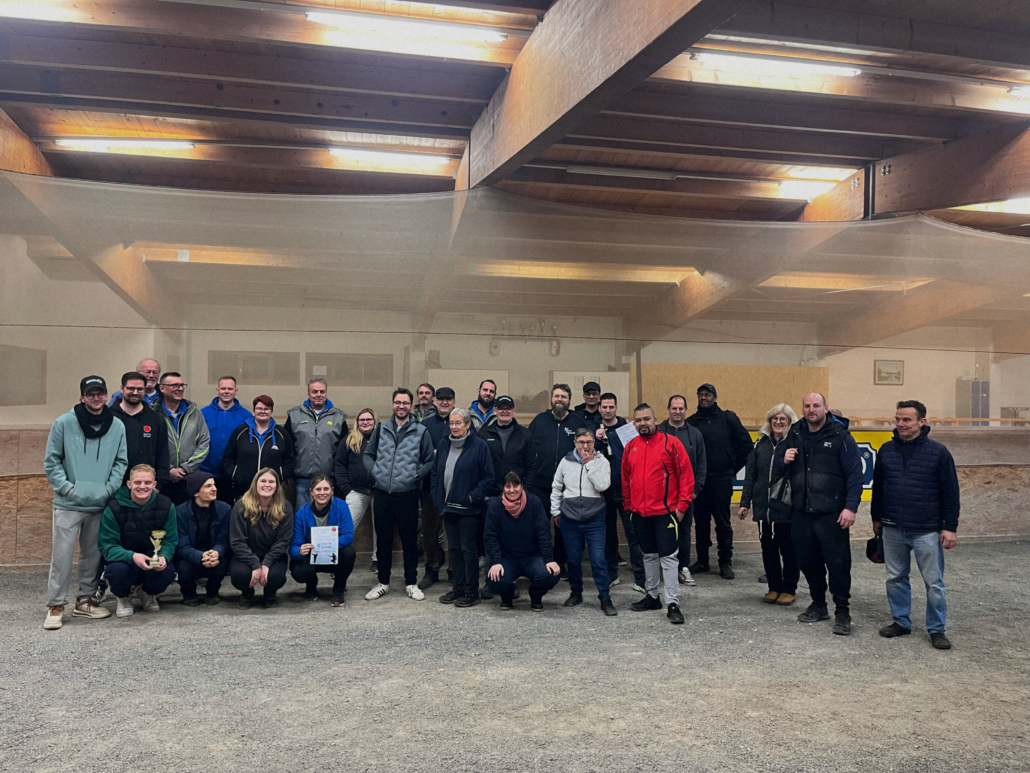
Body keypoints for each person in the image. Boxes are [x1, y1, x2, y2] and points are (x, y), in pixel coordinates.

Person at [871, 400, 960, 650]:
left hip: (927, 530)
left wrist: (950, 527)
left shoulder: (939, 453)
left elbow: (951, 493)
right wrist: (876, 518)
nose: (900, 424)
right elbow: (878, 488)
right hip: (892, 527)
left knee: (934, 583)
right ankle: (901, 622)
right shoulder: (886, 450)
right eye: (897, 419)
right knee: (895, 578)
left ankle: (937, 629)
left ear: (922, 422)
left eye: (906, 419)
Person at [774, 392, 863, 636]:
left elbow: (855, 475)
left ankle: (842, 612)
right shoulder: (794, 433)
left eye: (816, 405)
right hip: (801, 513)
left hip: (832, 514)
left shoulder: (841, 436)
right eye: (807, 406)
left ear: (826, 408)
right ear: (802, 409)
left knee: (838, 565)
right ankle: (819, 605)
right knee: (808, 562)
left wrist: (850, 507)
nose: (811, 409)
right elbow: (777, 467)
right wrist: (784, 460)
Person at [42, 375, 126, 630]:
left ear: (107, 395)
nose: (96, 397)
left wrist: (108, 489)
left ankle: (85, 601)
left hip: (99, 503)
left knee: (92, 557)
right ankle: (56, 606)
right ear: (82, 396)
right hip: (68, 504)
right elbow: (52, 461)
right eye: (91, 393)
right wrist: (67, 489)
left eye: (100, 393)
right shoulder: (64, 423)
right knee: (62, 557)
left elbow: (121, 462)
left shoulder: (117, 425)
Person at [622, 404, 695, 625]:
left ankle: (672, 603)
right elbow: (625, 479)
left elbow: (686, 477)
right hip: (639, 513)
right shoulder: (630, 447)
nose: (642, 423)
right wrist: (629, 507)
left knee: (669, 557)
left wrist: (681, 507)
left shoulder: (671, 443)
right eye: (638, 420)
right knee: (649, 555)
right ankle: (652, 596)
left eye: (646, 419)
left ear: (655, 420)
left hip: (665, 513)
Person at [363, 388, 435, 601]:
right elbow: (368, 455)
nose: (401, 406)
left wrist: (416, 475)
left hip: (408, 495)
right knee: (383, 540)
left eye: (405, 403)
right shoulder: (381, 428)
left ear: (411, 405)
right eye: (397, 402)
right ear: (393, 404)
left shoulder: (421, 431)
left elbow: (430, 460)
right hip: (382, 494)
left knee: (409, 541)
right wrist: (376, 473)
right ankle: (383, 582)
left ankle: (411, 583)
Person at [686, 383, 752, 579]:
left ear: (715, 397)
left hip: (722, 480)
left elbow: (746, 445)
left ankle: (725, 562)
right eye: (700, 394)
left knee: (723, 523)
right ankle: (702, 561)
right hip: (699, 482)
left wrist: (731, 467)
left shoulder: (728, 419)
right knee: (701, 523)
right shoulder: (691, 422)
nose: (704, 398)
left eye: (707, 394)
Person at [432, 408, 495, 607]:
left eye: (458, 423)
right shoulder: (444, 444)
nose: (454, 426)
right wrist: (436, 496)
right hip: (447, 507)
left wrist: (472, 497)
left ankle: (471, 591)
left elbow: (488, 477)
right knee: (454, 549)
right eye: (451, 423)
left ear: (468, 425)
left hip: (468, 509)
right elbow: (435, 473)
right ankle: (458, 588)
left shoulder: (479, 446)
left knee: (468, 550)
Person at [738, 404, 800, 606]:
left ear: (789, 421)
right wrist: (745, 503)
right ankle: (774, 587)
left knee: (789, 550)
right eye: (775, 418)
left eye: (782, 419)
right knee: (768, 550)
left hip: (786, 508)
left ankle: (789, 589)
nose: (778, 422)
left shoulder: (795, 443)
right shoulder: (760, 444)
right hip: (763, 508)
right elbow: (751, 475)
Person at [98, 464, 178, 618]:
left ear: (154, 484)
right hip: (124, 560)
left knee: (168, 571)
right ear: (129, 484)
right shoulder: (113, 507)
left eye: (147, 482)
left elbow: (170, 540)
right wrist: (132, 556)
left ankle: (146, 593)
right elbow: (107, 545)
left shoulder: (167, 505)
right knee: (116, 571)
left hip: (151, 559)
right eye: (137, 482)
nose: (142, 486)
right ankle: (123, 597)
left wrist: (164, 556)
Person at [551, 428, 616, 615]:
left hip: (595, 519)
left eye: (589, 442)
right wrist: (556, 511)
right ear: (575, 443)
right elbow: (556, 487)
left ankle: (605, 597)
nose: (585, 446)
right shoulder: (565, 461)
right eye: (581, 442)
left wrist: (589, 463)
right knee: (573, 559)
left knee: (598, 560)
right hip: (569, 519)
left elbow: (603, 485)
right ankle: (576, 593)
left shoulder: (601, 461)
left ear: (594, 443)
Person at [527, 383, 586, 576]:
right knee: (540, 525)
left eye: (563, 397)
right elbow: (528, 449)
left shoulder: (578, 423)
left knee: (564, 527)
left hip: (568, 486)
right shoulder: (539, 421)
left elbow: (586, 451)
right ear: (551, 399)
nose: (559, 399)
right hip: (541, 484)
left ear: (569, 401)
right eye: (556, 396)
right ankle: (542, 561)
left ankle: (562, 562)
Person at [485, 472, 561, 611]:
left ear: (521, 486)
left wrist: (549, 559)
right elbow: (490, 536)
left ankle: (536, 596)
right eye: (508, 486)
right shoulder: (495, 505)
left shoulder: (534, 502)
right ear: (503, 488)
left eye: (515, 486)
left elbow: (543, 533)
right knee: (493, 578)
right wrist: (496, 561)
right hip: (507, 557)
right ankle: (507, 598)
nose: (512, 490)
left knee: (551, 573)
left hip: (533, 557)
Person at [659, 394, 707, 586]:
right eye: (674, 408)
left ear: (686, 410)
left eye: (681, 408)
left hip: (686, 495)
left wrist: (694, 491)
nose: (677, 411)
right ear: (668, 409)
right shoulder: (659, 432)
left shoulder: (695, 434)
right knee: (663, 531)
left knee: (684, 531)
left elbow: (702, 464)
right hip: (662, 496)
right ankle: (664, 568)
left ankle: (683, 567)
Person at [229, 468, 294, 609]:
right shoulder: (240, 506)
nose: (267, 485)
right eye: (263, 481)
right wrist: (255, 564)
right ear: (255, 484)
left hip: (273, 556)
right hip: (246, 555)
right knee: (240, 575)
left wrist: (266, 563)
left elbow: (284, 540)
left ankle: (270, 592)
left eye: (271, 482)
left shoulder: (285, 507)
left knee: (275, 577)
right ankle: (247, 593)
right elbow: (237, 541)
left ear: (276, 486)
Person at [289, 475, 356, 607]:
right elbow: (294, 546)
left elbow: (348, 535)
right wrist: (300, 550)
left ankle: (339, 588)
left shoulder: (342, 506)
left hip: (334, 553)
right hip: (312, 555)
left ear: (332, 491)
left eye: (326, 489)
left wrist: (329, 544)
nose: (322, 493)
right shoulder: (301, 514)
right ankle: (311, 584)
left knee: (349, 553)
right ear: (311, 492)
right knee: (298, 570)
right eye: (318, 489)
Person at [595, 392, 638, 591]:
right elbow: (588, 456)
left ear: (616, 408)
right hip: (603, 492)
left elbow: (637, 454)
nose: (607, 410)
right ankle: (611, 573)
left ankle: (640, 575)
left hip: (627, 490)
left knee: (633, 533)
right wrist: (597, 439)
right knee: (608, 535)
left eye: (611, 407)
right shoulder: (593, 429)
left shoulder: (627, 429)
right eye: (604, 407)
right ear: (599, 408)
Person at [286, 378, 348, 509]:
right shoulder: (294, 416)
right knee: (303, 516)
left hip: (328, 478)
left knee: (327, 517)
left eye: (322, 391)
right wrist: (289, 471)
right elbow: (288, 447)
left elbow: (343, 451)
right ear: (308, 393)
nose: (318, 395)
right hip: (302, 479)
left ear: (326, 393)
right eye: (314, 391)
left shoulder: (339, 417)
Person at [173, 471, 232, 606]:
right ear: (195, 492)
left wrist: (216, 552)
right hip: (190, 557)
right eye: (208, 486)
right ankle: (189, 594)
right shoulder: (179, 512)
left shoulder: (225, 509)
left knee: (222, 562)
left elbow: (224, 539)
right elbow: (181, 545)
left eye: (214, 485)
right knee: (183, 566)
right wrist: (201, 556)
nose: (214, 489)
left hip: (214, 555)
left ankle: (212, 592)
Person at [417, 387, 456, 589]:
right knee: (430, 531)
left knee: (453, 532)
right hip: (430, 487)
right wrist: (431, 455)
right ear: (434, 400)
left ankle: (454, 570)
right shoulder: (425, 424)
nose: (444, 402)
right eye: (441, 399)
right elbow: (417, 453)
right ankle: (431, 569)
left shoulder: (460, 421)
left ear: (454, 401)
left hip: (455, 486)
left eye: (448, 399)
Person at [222, 395, 295, 501]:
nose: (263, 411)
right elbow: (228, 457)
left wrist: (280, 476)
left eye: (266, 409)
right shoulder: (240, 432)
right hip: (243, 489)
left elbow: (289, 459)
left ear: (271, 412)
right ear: (253, 411)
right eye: (259, 408)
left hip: (271, 490)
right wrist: (235, 475)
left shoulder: (282, 433)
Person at [334, 408, 379, 573]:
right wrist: (346, 489)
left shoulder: (382, 439)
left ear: (375, 421)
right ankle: (335, 560)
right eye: (362, 420)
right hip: (356, 491)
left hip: (379, 491)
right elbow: (339, 465)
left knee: (380, 527)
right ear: (357, 422)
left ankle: (377, 560)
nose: (365, 422)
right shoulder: (349, 440)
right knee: (346, 526)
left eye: (369, 419)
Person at [157, 371, 210, 505]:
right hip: (162, 480)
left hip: (189, 479)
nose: (180, 389)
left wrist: (185, 468)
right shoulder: (153, 414)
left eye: (182, 385)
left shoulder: (195, 413)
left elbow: (204, 443)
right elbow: (149, 447)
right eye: (175, 385)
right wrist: (168, 469)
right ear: (162, 388)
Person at [111, 371, 170, 488]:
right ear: (122, 389)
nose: (135, 392)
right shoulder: (108, 417)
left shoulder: (156, 419)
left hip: (146, 487)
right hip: (113, 486)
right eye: (130, 388)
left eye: (140, 389)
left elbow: (163, 456)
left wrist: (158, 486)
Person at [200, 375, 252, 504]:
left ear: (236, 391)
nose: (226, 391)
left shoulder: (246, 416)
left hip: (233, 474)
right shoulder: (203, 414)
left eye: (230, 388)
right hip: (207, 471)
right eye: (223, 388)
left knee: (229, 509)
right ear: (217, 390)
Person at [479, 395, 538, 496]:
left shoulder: (525, 435)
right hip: (490, 495)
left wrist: (524, 492)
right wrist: (483, 495)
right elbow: (478, 466)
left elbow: (532, 467)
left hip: (516, 493)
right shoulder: (483, 434)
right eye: (501, 408)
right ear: (495, 410)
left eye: (508, 408)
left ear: (514, 411)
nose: (504, 411)